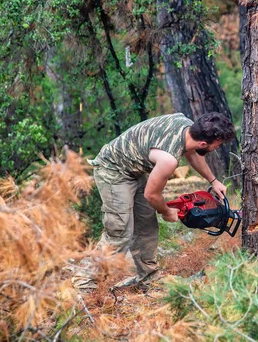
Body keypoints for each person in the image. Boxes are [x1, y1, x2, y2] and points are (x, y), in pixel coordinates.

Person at [89, 112, 235, 288]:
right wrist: (166, 211)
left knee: (146, 223)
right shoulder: (168, 159)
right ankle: (85, 284)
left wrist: (213, 180)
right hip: (112, 170)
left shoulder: (186, 125)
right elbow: (152, 195)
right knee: (119, 230)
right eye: (216, 146)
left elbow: (192, 153)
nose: (216, 149)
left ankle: (148, 276)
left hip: (134, 169)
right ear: (203, 143)